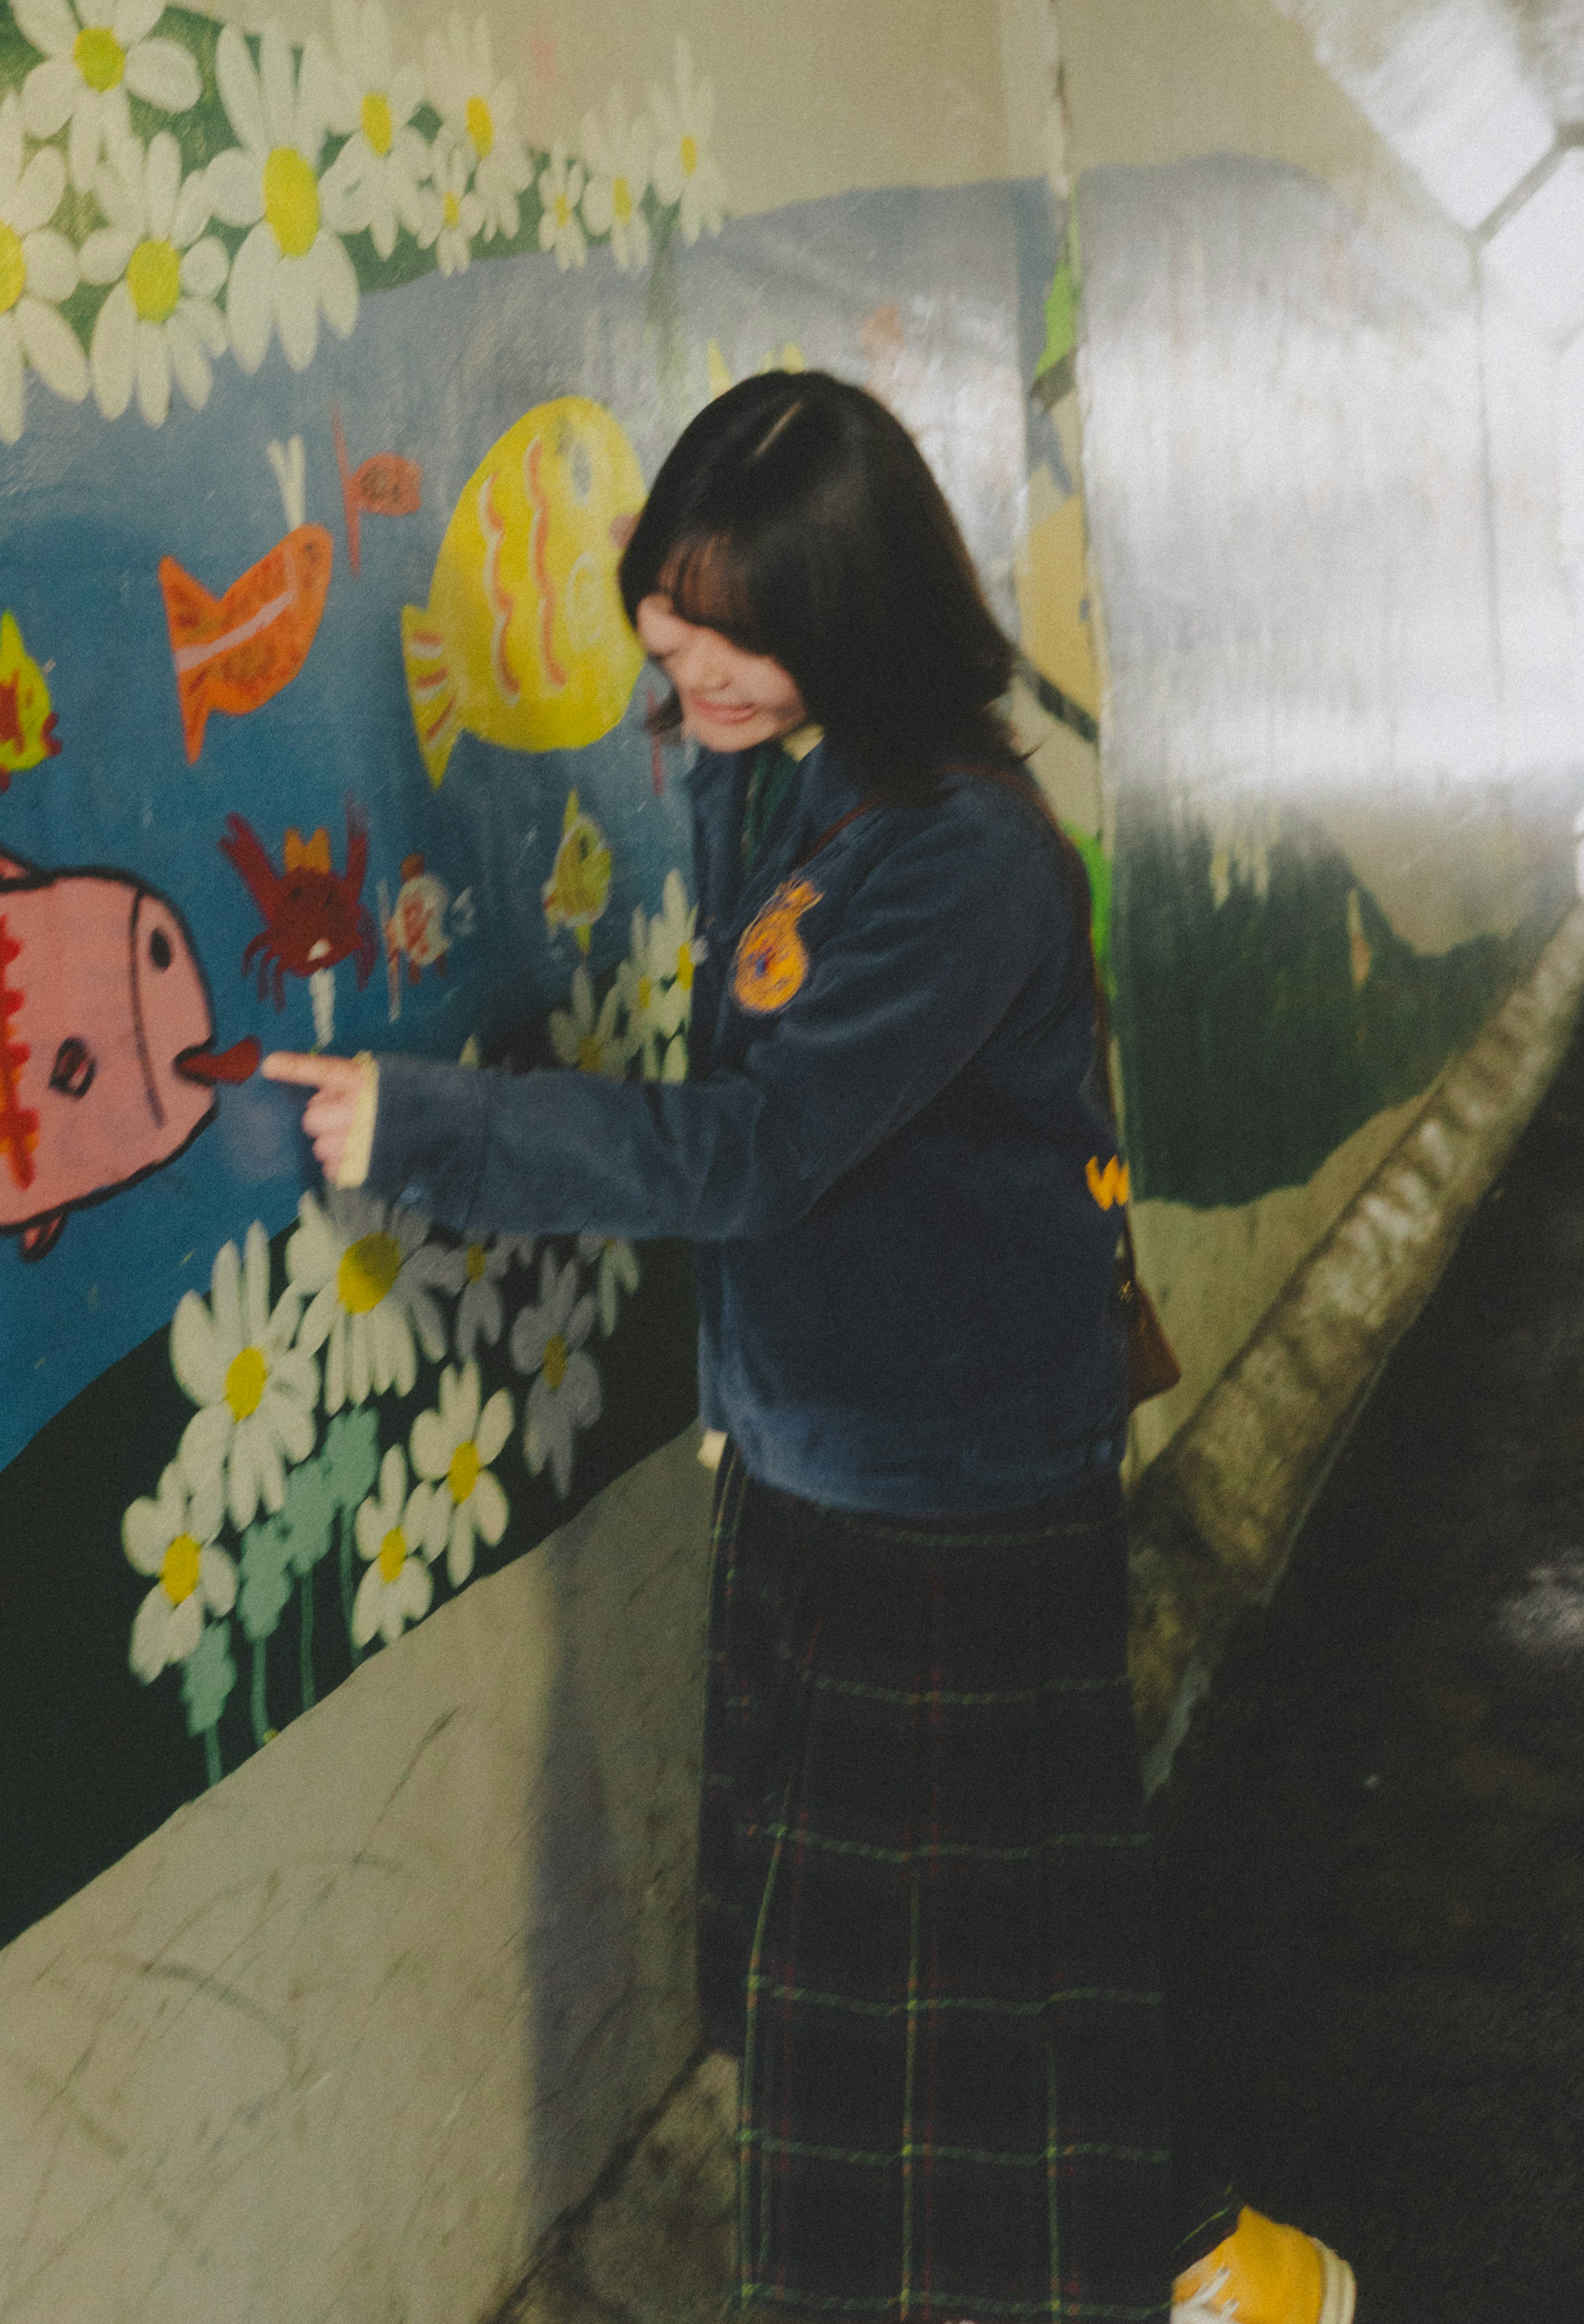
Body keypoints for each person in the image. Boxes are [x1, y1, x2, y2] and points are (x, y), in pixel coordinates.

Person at [269, 370, 1355, 2324]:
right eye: (669, 628)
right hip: (829, 1459)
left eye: (730, 636)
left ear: (847, 621)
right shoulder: (781, 769)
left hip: (950, 1493)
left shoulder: (959, 854)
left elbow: (759, 1148)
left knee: (874, 2001)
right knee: (961, 1940)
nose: (685, 667)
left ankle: (1173, 2261)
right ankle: (1205, 2254)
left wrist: (430, 1122)